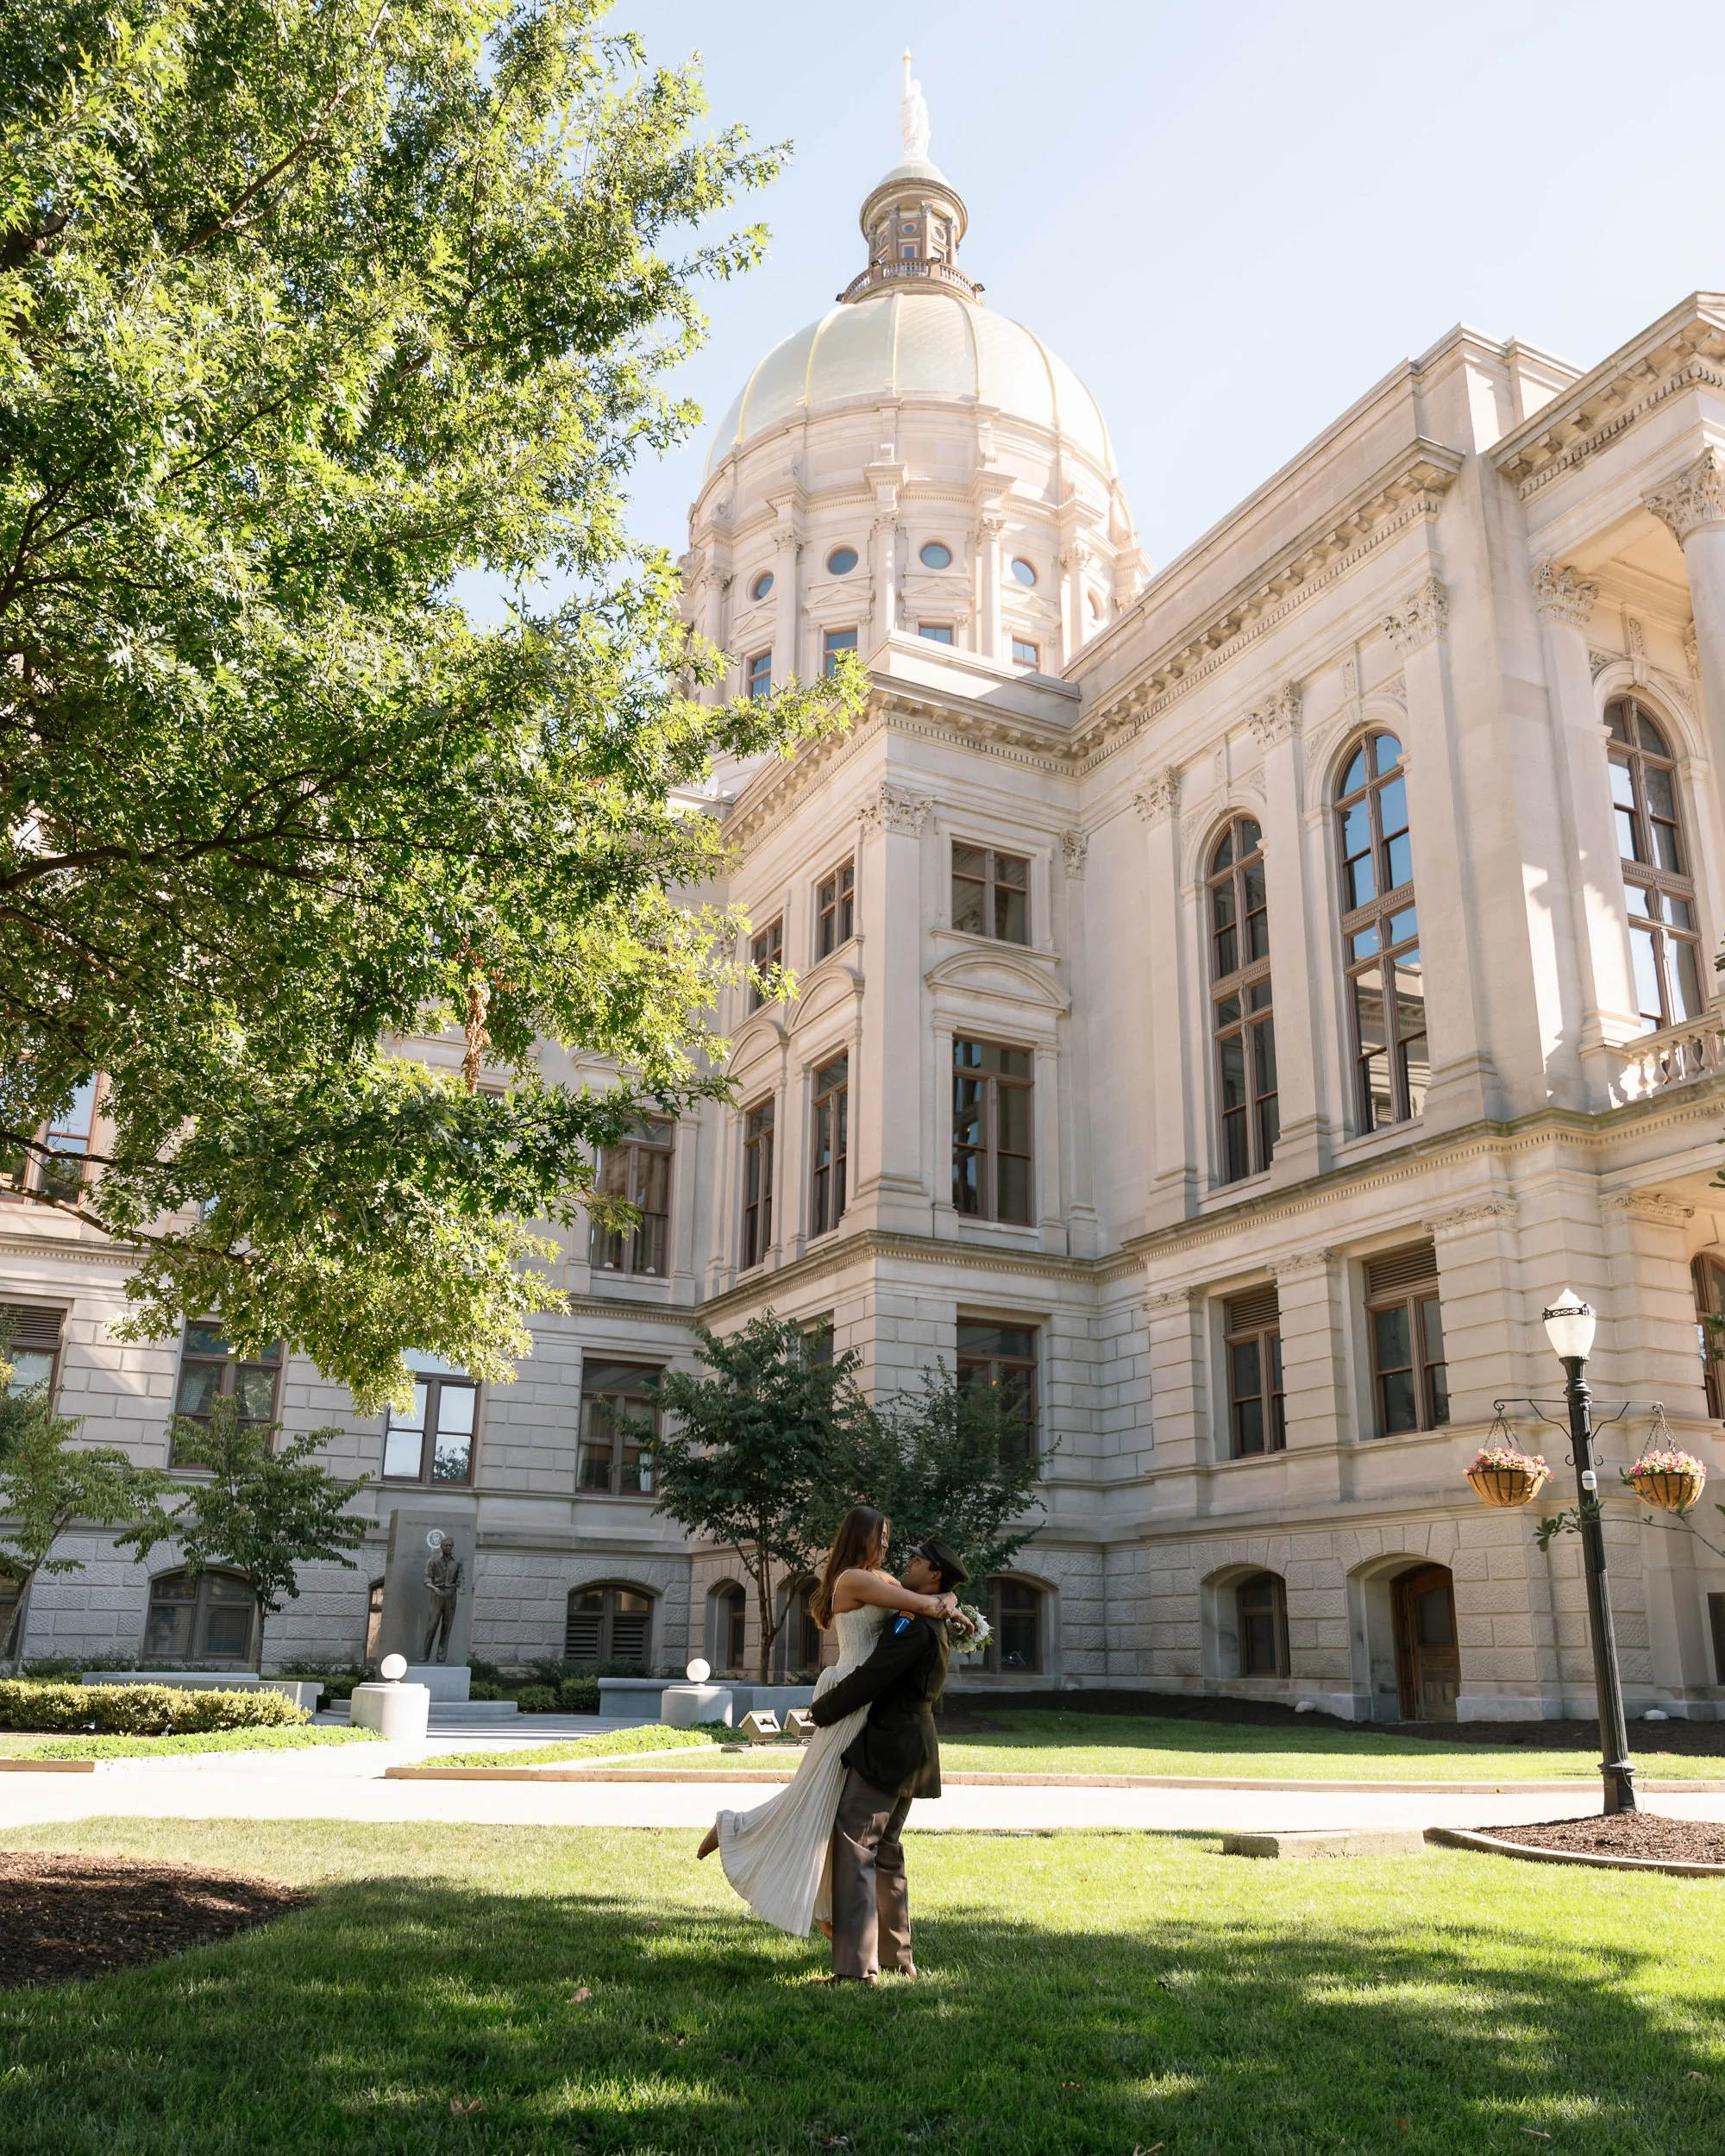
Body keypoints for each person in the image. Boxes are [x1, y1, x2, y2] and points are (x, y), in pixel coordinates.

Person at [694, 1507, 962, 1943]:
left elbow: (929, 1601)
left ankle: (826, 1910)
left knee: (833, 1804)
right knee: (817, 1793)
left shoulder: (883, 1579)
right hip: (849, 1692)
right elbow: (923, 1603)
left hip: (868, 1696)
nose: (888, 1546)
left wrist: (949, 1602)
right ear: (861, 1538)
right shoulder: (855, 1579)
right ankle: (734, 1828)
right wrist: (946, 1602)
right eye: (883, 1536)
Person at [807, 1532, 969, 1984]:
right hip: (913, 1744)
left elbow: (874, 1675)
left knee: (856, 1846)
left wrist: (822, 1710)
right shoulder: (927, 1619)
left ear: (933, 1575)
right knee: (887, 1852)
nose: (908, 1562)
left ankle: (856, 1972)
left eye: (917, 1560)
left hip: (889, 1743)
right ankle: (898, 1960)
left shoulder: (911, 1624)